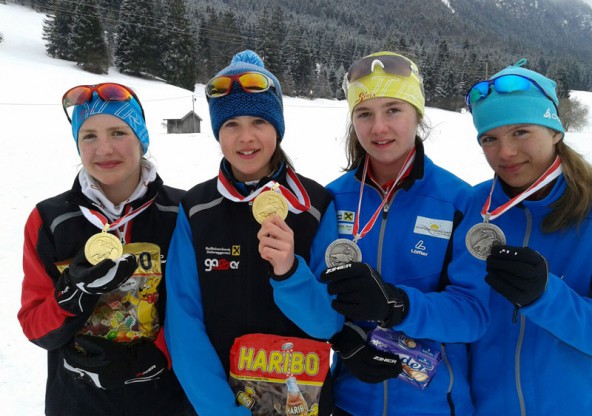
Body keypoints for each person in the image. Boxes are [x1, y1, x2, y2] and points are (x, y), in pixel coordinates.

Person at [164, 50, 342, 416]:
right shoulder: (196, 209)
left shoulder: (315, 206)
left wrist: (290, 272)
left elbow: (327, 323)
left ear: (277, 127)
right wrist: (221, 410)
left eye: (259, 122)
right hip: (217, 405)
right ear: (217, 131)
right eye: (231, 124)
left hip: (300, 404)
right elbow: (183, 325)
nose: (246, 138)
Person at [317, 52, 490, 415]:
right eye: (365, 114)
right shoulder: (331, 198)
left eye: (393, 110)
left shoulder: (459, 200)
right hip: (350, 402)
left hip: (434, 405)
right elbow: (317, 298)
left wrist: (400, 305)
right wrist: (344, 340)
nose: (379, 128)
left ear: (418, 114)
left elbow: (474, 314)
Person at [17, 82, 190, 415]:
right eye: (89, 136)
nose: (104, 149)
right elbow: (35, 326)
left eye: (118, 132)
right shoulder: (50, 219)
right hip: (77, 401)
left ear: (141, 137)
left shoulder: (181, 212)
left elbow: (201, 311)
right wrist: (70, 296)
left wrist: (155, 355)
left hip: (163, 399)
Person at [465, 59, 592, 414]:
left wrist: (545, 295)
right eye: (490, 138)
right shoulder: (471, 208)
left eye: (521, 131)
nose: (505, 152)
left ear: (555, 131)